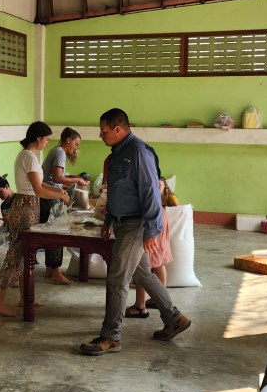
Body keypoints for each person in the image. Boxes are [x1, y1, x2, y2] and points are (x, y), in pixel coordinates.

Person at [80, 108, 190, 355]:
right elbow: (117, 192)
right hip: (122, 222)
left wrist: (151, 231)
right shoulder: (117, 153)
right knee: (144, 275)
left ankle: (111, 337)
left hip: (136, 224)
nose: (100, 135)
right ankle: (174, 319)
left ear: (118, 129)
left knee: (117, 278)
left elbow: (150, 193)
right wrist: (108, 220)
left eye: (104, 131)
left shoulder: (139, 153)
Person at [0, 121, 70, 317]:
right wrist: (60, 196)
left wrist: (59, 191)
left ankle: (25, 297)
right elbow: (39, 190)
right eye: (46, 139)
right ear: (38, 137)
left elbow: (40, 184)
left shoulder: (28, 156)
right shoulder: (29, 157)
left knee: (26, 253)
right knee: (15, 254)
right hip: (26, 207)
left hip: (29, 205)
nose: (48, 142)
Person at [39, 127, 89, 284]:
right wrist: (77, 180)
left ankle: (49, 269)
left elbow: (56, 176)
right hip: (51, 197)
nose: (76, 147)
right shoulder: (60, 152)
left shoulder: (55, 151)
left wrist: (74, 177)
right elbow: (56, 178)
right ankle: (56, 272)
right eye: (76, 143)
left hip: (46, 196)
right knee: (57, 233)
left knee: (49, 233)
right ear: (68, 140)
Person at [125, 173, 174, 318]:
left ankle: (140, 306)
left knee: (143, 266)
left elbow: (149, 200)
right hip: (159, 217)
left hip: (152, 220)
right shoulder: (157, 181)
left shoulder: (155, 182)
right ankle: (159, 298)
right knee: (158, 261)